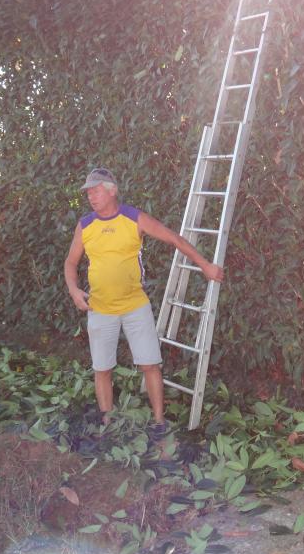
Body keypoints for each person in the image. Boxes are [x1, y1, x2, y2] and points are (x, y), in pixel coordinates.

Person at [64, 166, 224, 437]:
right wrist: (74, 290)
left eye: (96, 190)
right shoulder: (85, 224)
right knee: (102, 369)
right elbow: (70, 261)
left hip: (135, 307)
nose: (91, 196)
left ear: (112, 190)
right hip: (100, 309)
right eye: (88, 192)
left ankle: (159, 422)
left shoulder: (133, 217)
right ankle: (107, 424)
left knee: (151, 364)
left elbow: (175, 239)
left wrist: (206, 265)